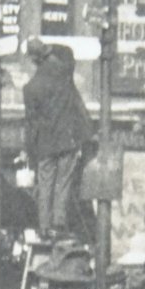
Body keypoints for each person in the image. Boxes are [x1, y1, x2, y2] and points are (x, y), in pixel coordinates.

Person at [22, 40, 95, 238]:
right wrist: (48, 47)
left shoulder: (30, 88)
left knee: (45, 183)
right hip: (66, 139)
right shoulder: (63, 73)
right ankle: (58, 223)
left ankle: (44, 226)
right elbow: (68, 52)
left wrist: (29, 151)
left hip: (45, 144)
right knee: (63, 181)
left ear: (32, 60)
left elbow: (30, 124)